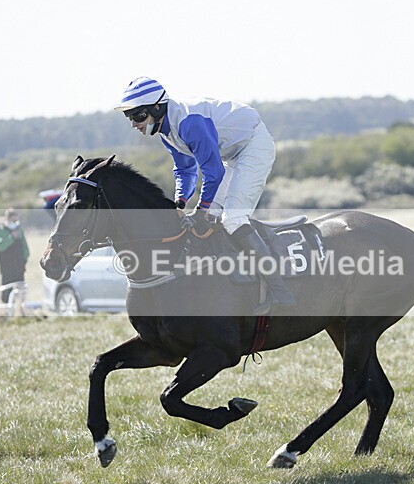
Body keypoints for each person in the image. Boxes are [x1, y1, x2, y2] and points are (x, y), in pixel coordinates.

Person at [114, 76, 295, 312]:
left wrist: (201, 208)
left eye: (138, 116)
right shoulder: (166, 131)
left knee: (233, 219)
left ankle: (280, 290)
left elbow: (213, 173)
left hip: (253, 145)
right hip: (232, 155)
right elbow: (184, 169)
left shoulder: (189, 123)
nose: (134, 124)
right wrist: (179, 202)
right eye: (130, 117)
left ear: (157, 108)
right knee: (211, 218)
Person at [0, 209, 30, 303]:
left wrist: (23, 260)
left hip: (19, 266)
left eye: (16, 221)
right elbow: (0, 246)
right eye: (13, 221)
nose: (15, 223)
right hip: (6, 267)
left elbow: (26, 249)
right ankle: (6, 310)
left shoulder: (19, 230)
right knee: (7, 291)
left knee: (20, 291)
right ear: (7, 219)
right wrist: (11, 237)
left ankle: (20, 310)